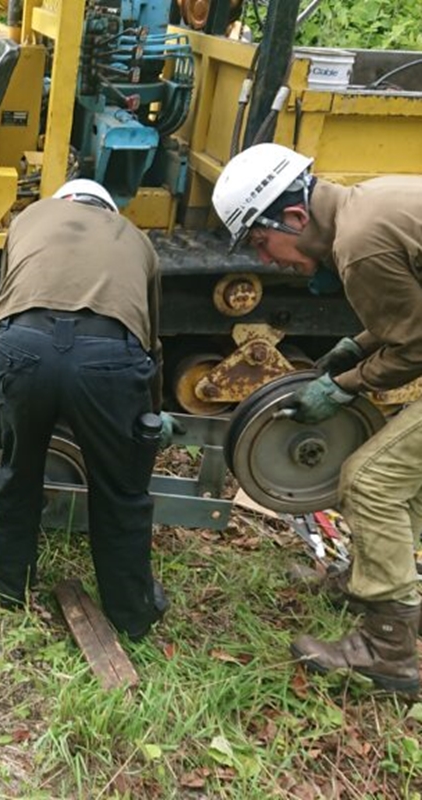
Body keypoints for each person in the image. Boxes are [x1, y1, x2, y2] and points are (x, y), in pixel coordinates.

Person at [212, 143, 422, 694]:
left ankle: (388, 649)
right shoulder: (366, 206)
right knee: (406, 480)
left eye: (262, 241)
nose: (265, 259)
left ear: (296, 217)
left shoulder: (360, 245)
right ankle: (373, 582)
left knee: (371, 479)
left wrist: (341, 386)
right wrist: (355, 346)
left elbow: (416, 345)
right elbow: (410, 314)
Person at [0, 178, 181, 640]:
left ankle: (12, 587)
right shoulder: (135, 239)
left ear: (64, 201)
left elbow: (8, 297)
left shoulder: (28, 218)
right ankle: (132, 614)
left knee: (16, 470)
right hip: (108, 357)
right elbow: (150, 339)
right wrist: (148, 416)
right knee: (120, 491)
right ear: (109, 209)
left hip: (22, 346)